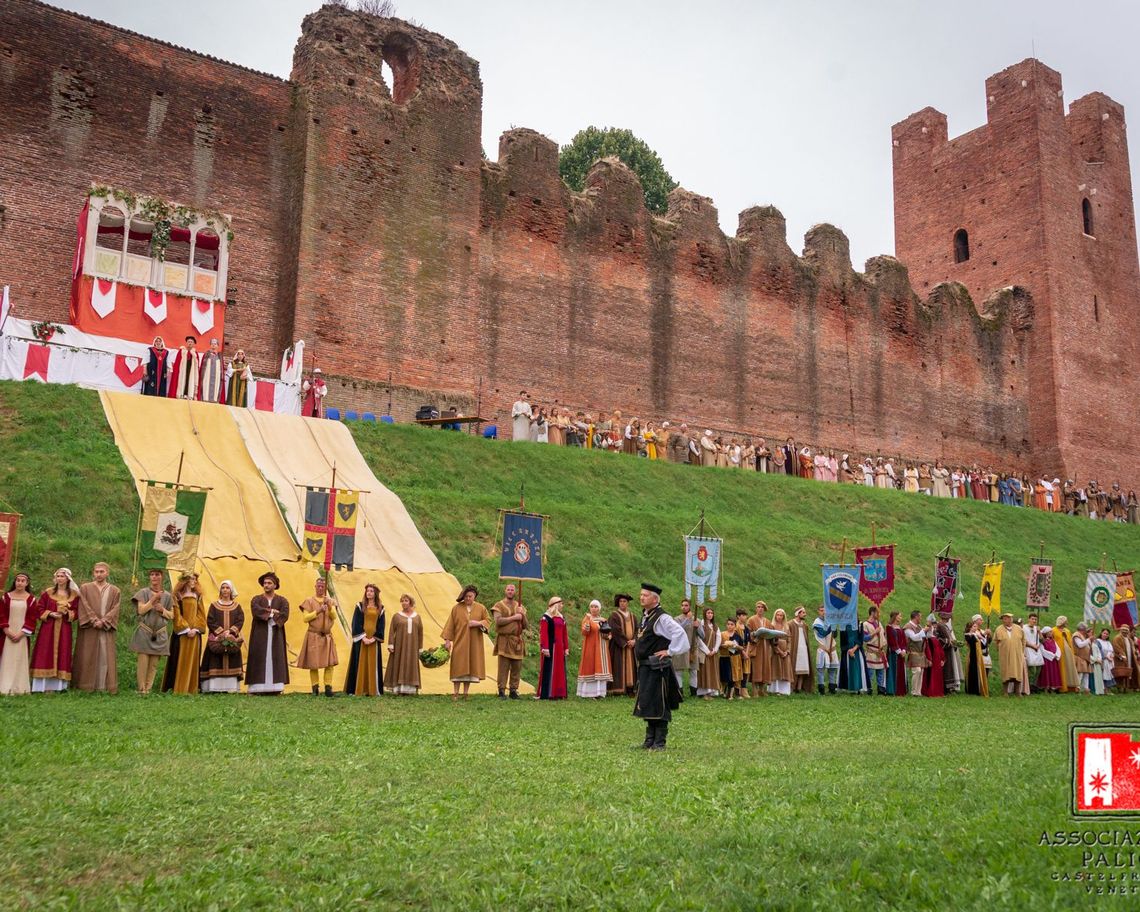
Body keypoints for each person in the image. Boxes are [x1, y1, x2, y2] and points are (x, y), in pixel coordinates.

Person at [632, 583, 688, 751]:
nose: (642, 597)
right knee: (648, 702)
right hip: (646, 668)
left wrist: (670, 651)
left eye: (645, 595)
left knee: (659, 703)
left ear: (655, 599)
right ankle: (649, 740)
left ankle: (659, 742)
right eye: (641, 594)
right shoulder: (647, 616)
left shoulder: (662, 618)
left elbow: (680, 633)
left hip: (658, 668)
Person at [72, 562, 120, 693]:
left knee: (105, 655)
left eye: (102, 571)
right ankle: (85, 685)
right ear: (93, 573)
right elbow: (84, 604)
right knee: (87, 654)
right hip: (90, 627)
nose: (99, 574)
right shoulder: (85, 588)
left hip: (105, 627)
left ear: (107, 573)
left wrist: (104, 621)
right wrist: (93, 620)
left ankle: (103, 685)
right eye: (96, 571)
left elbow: (115, 608)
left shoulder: (115, 590)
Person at [30, 568, 79, 692]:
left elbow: (77, 611)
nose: (60, 578)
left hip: (64, 629)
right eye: (58, 576)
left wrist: (67, 613)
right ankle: (41, 686)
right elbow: (39, 608)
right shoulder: (48, 592)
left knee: (63, 652)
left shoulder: (74, 595)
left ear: (68, 578)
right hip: (48, 629)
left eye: (62, 576)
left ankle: (58, 686)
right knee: (45, 652)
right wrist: (50, 613)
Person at [441, 584, 489, 701]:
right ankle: (455, 692)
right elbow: (450, 626)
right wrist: (447, 640)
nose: (468, 598)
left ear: (474, 596)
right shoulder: (456, 608)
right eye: (466, 596)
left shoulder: (481, 608)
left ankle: (466, 693)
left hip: (474, 644)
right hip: (460, 642)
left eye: (470, 596)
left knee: (470, 667)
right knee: (458, 666)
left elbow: (487, 621)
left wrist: (478, 623)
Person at [162, 573, 206, 694]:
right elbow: (176, 614)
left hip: (194, 633)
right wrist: (186, 629)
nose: (194, 581)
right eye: (192, 579)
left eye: (195, 579)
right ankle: (179, 687)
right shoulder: (177, 596)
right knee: (180, 659)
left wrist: (195, 629)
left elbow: (201, 614)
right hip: (182, 633)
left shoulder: (198, 596)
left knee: (193, 660)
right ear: (185, 580)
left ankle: (191, 688)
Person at [247, 571, 290, 695]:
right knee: (258, 655)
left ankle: (275, 687)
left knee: (276, 656)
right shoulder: (256, 599)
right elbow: (256, 611)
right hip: (259, 633)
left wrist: (272, 615)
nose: (266, 585)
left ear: (275, 585)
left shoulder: (282, 600)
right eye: (265, 583)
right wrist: (271, 612)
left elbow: (284, 614)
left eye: (269, 583)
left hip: (276, 633)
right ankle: (257, 688)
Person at [130, 568, 172, 694]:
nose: (154, 577)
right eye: (152, 575)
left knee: (154, 664)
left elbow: (172, 615)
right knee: (143, 663)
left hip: (160, 633)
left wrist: (162, 610)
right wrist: (153, 600)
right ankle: (141, 689)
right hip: (145, 631)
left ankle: (148, 689)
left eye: (157, 574)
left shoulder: (168, 596)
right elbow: (141, 610)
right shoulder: (143, 592)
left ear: (162, 576)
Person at [297, 577, 340, 696]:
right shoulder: (309, 601)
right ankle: (315, 688)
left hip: (327, 636)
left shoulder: (331, 601)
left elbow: (334, 616)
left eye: (323, 586)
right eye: (319, 586)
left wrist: (329, 606)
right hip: (313, 635)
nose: (320, 588)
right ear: (315, 587)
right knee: (313, 663)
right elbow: (305, 618)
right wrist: (319, 611)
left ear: (326, 588)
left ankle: (328, 688)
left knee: (330, 663)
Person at [199, 580, 244, 693]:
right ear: (220, 591)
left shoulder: (237, 606)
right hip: (216, 639)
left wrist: (231, 632)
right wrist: (221, 633)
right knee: (215, 660)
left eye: (227, 588)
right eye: (223, 588)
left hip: (231, 638)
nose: (225, 590)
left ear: (231, 590)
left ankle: (231, 687)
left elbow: (240, 620)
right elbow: (210, 620)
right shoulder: (214, 606)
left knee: (232, 658)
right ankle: (214, 687)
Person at [0, 572, 35, 695]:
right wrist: (6, 630)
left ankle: (20, 687)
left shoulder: (31, 599)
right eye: (18, 580)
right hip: (7, 634)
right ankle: (3, 686)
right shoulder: (6, 597)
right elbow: (1, 614)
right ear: (14, 582)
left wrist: (22, 633)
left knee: (19, 659)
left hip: (22, 635)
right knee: (6, 659)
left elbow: (32, 618)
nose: (19, 583)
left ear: (27, 583)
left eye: (22, 581)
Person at [491, 583, 528, 700]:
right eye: (508, 589)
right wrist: (514, 617)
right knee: (503, 666)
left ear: (515, 592)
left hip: (517, 640)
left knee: (517, 666)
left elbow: (525, 625)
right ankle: (501, 690)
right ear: (505, 591)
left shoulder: (520, 606)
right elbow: (498, 621)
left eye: (512, 589)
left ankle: (513, 690)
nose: (510, 591)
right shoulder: (499, 605)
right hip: (504, 639)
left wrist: (522, 614)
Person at [577, 599, 612, 698]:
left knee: (600, 666)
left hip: (602, 647)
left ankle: (600, 692)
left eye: (596, 607)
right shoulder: (587, 619)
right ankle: (588, 692)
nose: (593, 608)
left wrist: (608, 636)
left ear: (599, 609)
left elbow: (609, 633)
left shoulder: (603, 620)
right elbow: (584, 632)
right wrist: (588, 623)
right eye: (592, 606)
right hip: (590, 646)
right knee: (590, 666)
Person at [537, 596, 569, 700]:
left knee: (559, 669)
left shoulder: (561, 617)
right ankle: (549, 692)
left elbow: (564, 634)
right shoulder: (546, 617)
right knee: (550, 668)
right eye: (561, 603)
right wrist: (545, 647)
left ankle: (559, 692)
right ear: (556, 604)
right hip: (551, 647)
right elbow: (544, 633)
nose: (562, 606)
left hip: (560, 647)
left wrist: (566, 647)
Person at [607, 593, 638, 696]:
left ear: (627, 603)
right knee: (619, 666)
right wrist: (625, 642)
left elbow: (637, 630)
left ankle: (631, 688)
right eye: (620, 601)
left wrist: (634, 640)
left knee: (631, 667)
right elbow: (615, 630)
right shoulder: (614, 616)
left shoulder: (633, 616)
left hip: (631, 646)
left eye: (624, 601)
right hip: (619, 646)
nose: (622, 603)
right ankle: (619, 689)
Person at [992, 612, 1027, 697]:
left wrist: (1021, 651)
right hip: (1004, 654)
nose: (1007, 620)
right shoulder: (999, 629)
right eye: (1005, 618)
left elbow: (1023, 640)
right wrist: (1000, 649)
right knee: (1005, 672)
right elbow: (996, 641)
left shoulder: (1018, 628)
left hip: (1017, 654)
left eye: (1009, 618)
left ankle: (1018, 692)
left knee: (1017, 672)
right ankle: (1005, 692)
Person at [746, 600, 772, 697]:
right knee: (756, 667)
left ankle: (762, 689)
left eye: (762, 607)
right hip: (756, 647)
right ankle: (754, 690)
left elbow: (771, 633)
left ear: (764, 609)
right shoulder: (751, 620)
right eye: (758, 607)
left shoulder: (767, 621)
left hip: (766, 647)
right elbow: (747, 633)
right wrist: (754, 634)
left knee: (765, 667)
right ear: (756, 608)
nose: (760, 609)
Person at [695, 607, 721, 699]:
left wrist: (715, 650)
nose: (710, 615)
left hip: (713, 652)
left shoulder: (715, 626)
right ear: (704, 614)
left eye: (711, 613)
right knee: (704, 671)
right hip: (704, 652)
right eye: (708, 613)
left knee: (713, 671)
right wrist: (707, 651)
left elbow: (718, 638)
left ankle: (712, 691)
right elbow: (698, 639)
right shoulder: (701, 625)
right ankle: (704, 692)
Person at [167, 335, 202, 400]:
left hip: (191, 371)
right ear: (186, 343)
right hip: (182, 371)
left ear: (193, 344)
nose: (190, 343)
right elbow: (177, 363)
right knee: (182, 381)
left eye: (191, 342)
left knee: (189, 381)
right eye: (188, 342)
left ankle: (189, 395)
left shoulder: (195, 353)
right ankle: (181, 394)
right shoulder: (181, 351)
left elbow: (197, 365)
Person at [813, 605, 839, 694]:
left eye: (825, 610)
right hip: (823, 649)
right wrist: (830, 625)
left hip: (832, 648)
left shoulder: (829, 621)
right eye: (821, 610)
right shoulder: (817, 623)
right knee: (821, 669)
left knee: (832, 669)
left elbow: (835, 635)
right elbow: (822, 633)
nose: (823, 612)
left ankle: (832, 688)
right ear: (818, 611)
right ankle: (821, 689)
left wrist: (834, 626)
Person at [861, 606, 887, 696]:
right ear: (872, 613)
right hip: (871, 651)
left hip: (880, 650)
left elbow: (883, 635)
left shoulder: (879, 623)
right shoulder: (865, 624)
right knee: (870, 672)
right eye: (877, 612)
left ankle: (881, 689)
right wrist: (875, 632)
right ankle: (869, 689)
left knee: (881, 671)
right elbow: (864, 638)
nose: (879, 614)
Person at [672, 598, 695, 693]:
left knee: (693, 670)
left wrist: (698, 626)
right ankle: (679, 692)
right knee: (678, 670)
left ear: (690, 607)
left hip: (692, 647)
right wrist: (687, 619)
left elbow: (702, 635)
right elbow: (678, 629)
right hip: (680, 647)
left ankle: (694, 692)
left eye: (686, 605)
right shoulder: (676, 619)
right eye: (682, 605)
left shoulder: (695, 619)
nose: (684, 607)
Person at [769, 608, 794, 696]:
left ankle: (784, 690)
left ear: (783, 617)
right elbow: (771, 641)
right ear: (775, 616)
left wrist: (787, 651)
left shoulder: (786, 626)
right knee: (776, 668)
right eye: (778, 615)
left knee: (785, 669)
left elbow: (789, 640)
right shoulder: (772, 626)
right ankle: (775, 689)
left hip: (785, 650)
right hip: (776, 651)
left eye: (781, 615)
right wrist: (779, 651)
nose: (779, 617)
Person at [904, 610, 929, 696]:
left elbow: (922, 637)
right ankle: (914, 691)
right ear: (916, 617)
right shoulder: (908, 627)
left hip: (920, 652)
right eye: (920, 617)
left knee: (921, 671)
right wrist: (923, 630)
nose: (921, 618)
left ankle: (918, 692)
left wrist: (927, 630)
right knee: (917, 671)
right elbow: (914, 638)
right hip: (913, 652)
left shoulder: (919, 626)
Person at [963, 615, 989, 697]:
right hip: (972, 655)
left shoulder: (976, 635)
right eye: (974, 626)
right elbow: (971, 642)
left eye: (976, 627)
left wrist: (983, 637)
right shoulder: (968, 635)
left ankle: (977, 689)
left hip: (978, 655)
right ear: (970, 627)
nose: (975, 628)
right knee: (972, 671)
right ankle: (971, 689)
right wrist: (980, 635)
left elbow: (983, 645)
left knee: (978, 671)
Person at [718, 618, 744, 699]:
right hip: (724, 657)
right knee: (725, 675)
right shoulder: (722, 634)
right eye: (728, 624)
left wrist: (735, 646)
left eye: (732, 624)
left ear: (735, 626)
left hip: (734, 658)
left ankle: (732, 694)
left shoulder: (737, 636)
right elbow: (718, 645)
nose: (730, 626)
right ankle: (723, 691)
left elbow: (742, 647)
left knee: (733, 675)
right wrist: (724, 645)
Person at [789, 606, 812, 693]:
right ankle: (792, 687)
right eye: (803, 612)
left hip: (803, 650)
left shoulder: (804, 625)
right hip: (795, 649)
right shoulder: (790, 624)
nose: (805, 614)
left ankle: (799, 688)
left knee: (803, 669)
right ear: (797, 613)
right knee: (794, 668)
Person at [921, 614, 946, 697]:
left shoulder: (934, 638)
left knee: (937, 675)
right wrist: (929, 659)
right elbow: (928, 650)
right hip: (933, 660)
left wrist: (942, 659)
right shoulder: (928, 639)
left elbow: (939, 649)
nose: (934, 627)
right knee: (932, 674)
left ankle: (937, 691)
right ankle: (931, 691)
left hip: (937, 660)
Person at [885, 610, 907, 696]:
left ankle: (901, 690)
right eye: (899, 616)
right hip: (893, 653)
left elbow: (904, 641)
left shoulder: (900, 628)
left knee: (901, 671)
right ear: (895, 616)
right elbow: (892, 641)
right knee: (893, 670)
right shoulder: (889, 627)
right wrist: (899, 651)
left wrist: (904, 650)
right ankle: (892, 689)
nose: (901, 617)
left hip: (901, 653)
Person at [1054, 616, 1078, 693]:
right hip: (1059, 652)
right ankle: (1061, 687)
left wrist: (1072, 652)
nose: (1067, 623)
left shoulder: (1067, 631)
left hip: (1068, 653)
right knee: (1061, 668)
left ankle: (1070, 686)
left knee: (1069, 668)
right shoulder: (1054, 630)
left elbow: (1070, 642)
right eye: (1065, 621)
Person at [198, 337, 226, 403]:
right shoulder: (206, 354)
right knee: (206, 386)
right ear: (210, 345)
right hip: (207, 376)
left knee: (216, 388)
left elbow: (222, 369)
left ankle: (215, 399)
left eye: (215, 344)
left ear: (217, 346)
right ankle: (205, 398)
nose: (213, 345)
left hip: (216, 377)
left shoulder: (220, 356)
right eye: (212, 344)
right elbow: (202, 367)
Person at [1037, 627, 1062, 693]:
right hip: (1047, 660)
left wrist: (1056, 655)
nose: (1051, 633)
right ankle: (1046, 687)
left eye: (1051, 632)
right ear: (1046, 633)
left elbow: (1058, 649)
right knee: (1047, 673)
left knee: (1053, 673)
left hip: (1054, 661)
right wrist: (1051, 655)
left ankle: (1052, 688)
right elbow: (1042, 650)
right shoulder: (1043, 641)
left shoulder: (1053, 641)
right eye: (1050, 632)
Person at [1112, 625, 1136, 693]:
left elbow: (1132, 648)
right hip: (1120, 659)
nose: (1125, 632)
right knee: (1121, 673)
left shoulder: (1128, 639)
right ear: (1121, 630)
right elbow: (1116, 647)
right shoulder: (1117, 638)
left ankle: (1126, 687)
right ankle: (1120, 687)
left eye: (1126, 631)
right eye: (1123, 631)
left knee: (1127, 672)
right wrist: (1122, 656)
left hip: (1129, 658)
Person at [1073, 622, 1095, 695]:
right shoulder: (1076, 635)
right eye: (1085, 629)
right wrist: (1089, 639)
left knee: (1086, 674)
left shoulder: (1082, 636)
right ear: (1082, 629)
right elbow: (1080, 645)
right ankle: (1077, 688)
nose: (1086, 630)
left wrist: (1090, 641)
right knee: (1080, 673)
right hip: (1079, 657)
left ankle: (1086, 689)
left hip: (1085, 658)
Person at [1024, 612, 1044, 692]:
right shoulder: (1024, 628)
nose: (1034, 621)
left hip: (1037, 650)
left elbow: (1042, 640)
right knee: (1032, 670)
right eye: (1032, 619)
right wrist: (1032, 646)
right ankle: (1029, 686)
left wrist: (1039, 632)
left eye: (1035, 619)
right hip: (1028, 649)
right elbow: (1023, 640)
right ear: (1029, 619)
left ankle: (1034, 685)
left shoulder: (1037, 628)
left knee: (1039, 668)